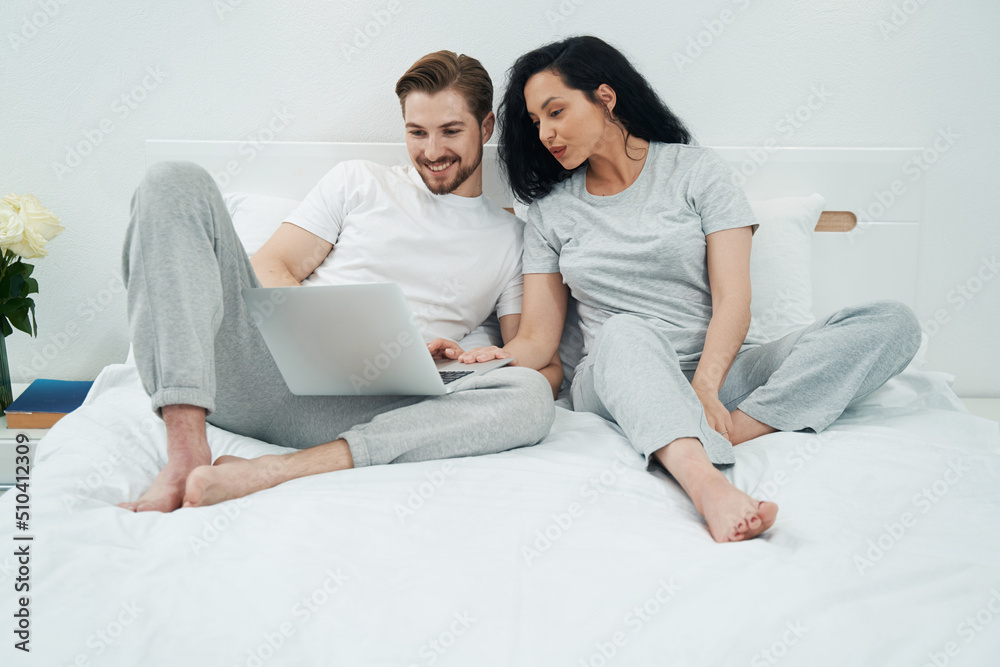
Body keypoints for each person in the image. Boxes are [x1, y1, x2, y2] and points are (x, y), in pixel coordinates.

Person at [445, 36, 922, 543]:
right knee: (626, 332)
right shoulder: (550, 211)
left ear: (605, 98)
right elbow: (538, 340)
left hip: (721, 371)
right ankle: (707, 486)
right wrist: (482, 357)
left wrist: (707, 390)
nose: (545, 133)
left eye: (555, 112)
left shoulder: (697, 172)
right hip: (616, 374)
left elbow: (735, 299)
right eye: (536, 121)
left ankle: (736, 428)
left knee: (891, 321)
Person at [118, 50, 562, 514]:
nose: (432, 152)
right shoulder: (359, 181)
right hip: (259, 372)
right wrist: (340, 339)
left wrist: (470, 362)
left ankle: (276, 470)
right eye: (417, 132)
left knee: (531, 396)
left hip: (374, 408)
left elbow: (533, 356)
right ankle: (186, 451)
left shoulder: (511, 238)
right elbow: (272, 268)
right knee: (172, 180)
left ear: (486, 127)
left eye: (451, 131)